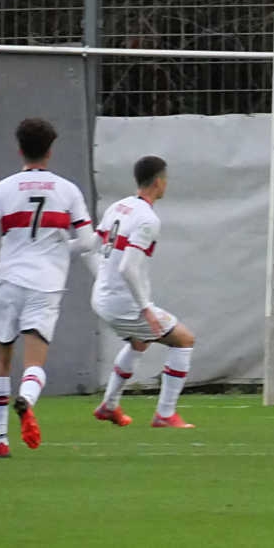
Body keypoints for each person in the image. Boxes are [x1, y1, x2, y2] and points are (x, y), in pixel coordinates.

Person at [0, 117, 99, 458]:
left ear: (19, 150)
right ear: (50, 151)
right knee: (35, 362)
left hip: (7, 280)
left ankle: (0, 441)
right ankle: (26, 399)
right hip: (46, 283)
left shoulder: (1, 189)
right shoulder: (68, 190)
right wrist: (61, 246)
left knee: (0, 361)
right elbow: (87, 243)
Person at [90, 156, 198, 429]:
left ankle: (109, 406)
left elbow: (90, 247)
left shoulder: (118, 207)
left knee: (139, 342)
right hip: (125, 304)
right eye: (166, 180)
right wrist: (145, 308)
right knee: (184, 340)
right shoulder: (148, 219)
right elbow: (128, 268)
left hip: (101, 299)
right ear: (159, 182)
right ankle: (165, 414)